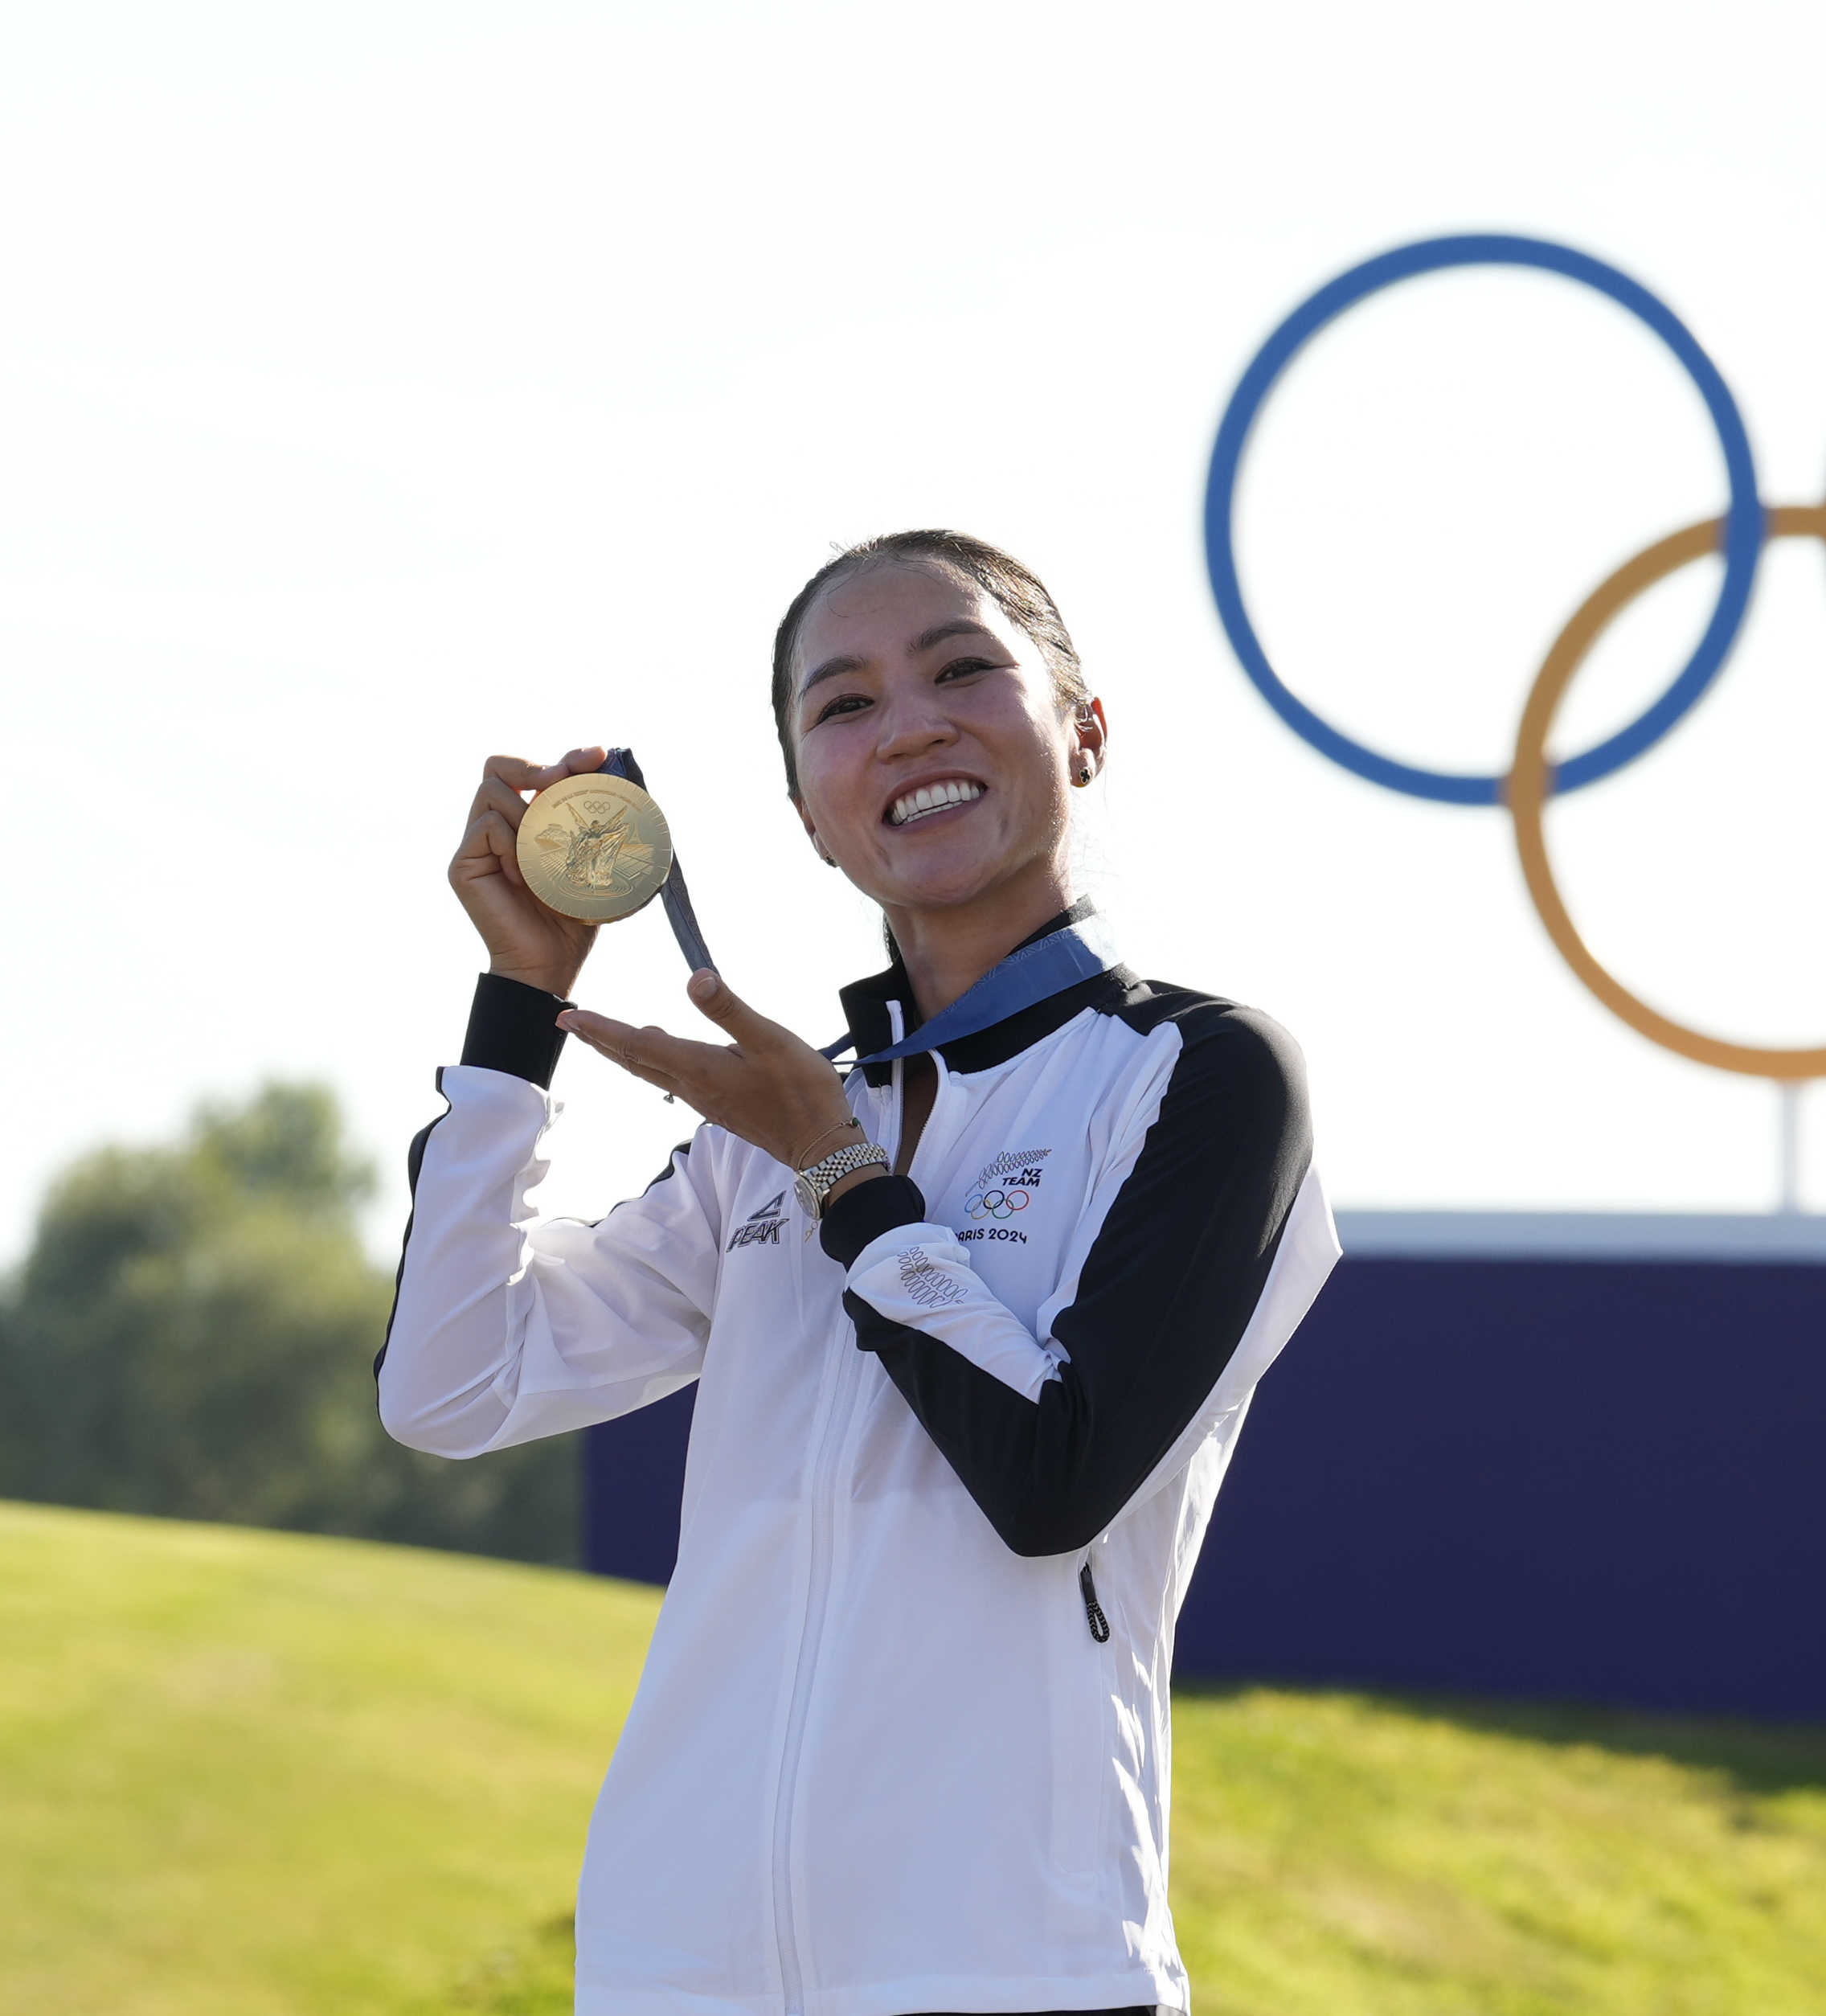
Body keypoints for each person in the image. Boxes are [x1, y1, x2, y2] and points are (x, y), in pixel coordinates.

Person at [380, 530, 1337, 2016]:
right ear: (812, 817)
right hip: (673, 1976)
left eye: (964, 671)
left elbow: (1052, 1481)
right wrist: (518, 1009)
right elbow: (449, 1388)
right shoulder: (780, 1120)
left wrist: (845, 1180)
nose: (907, 724)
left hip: (1015, 1971)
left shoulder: (1201, 1076)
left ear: (1084, 730)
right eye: (842, 706)